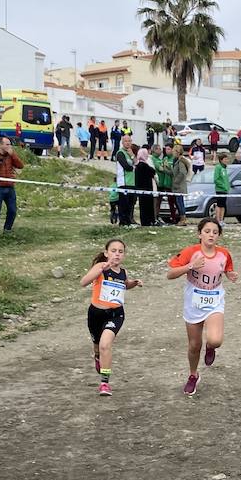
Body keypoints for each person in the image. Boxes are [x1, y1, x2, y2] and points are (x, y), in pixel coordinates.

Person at [167, 218, 238, 396]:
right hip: (193, 301)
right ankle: (193, 375)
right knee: (194, 345)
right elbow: (170, 274)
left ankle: (210, 347)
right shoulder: (190, 252)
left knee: (215, 340)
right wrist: (191, 266)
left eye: (215, 232)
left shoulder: (224, 254)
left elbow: (227, 269)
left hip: (215, 300)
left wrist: (230, 275)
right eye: (207, 231)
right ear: (200, 234)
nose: (211, 235)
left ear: (219, 235)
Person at [80, 239, 142, 397]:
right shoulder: (100, 267)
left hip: (115, 314)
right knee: (97, 346)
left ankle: (104, 383)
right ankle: (97, 357)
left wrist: (134, 283)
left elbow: (125, 284)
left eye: (120, 252)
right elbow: (83, 282)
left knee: (105, 345)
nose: (117, 254)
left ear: (124, 255)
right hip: (96, 314)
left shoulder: (123, 272)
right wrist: (100, 270)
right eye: (113, 251)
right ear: (106, 253)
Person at [113, 135, 137, 227]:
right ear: (122, 142)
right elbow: (126, 166)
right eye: (126, 141)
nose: (128, 143)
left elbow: (137, 163)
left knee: (130, 204)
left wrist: (132, 156)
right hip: (123, 182)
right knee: (124, 204)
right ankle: (123, 222)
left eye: (129, 141)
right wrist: (133, 167)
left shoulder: (130, 153)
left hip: (132, 182)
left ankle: (129, 221)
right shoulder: (120, 153)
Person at [134, 146, 158, 227]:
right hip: (147, 188)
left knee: (142, 207)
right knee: (148, 206)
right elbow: (153, 172)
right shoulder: (145, 166)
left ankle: (144, 221)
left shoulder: (137, 166)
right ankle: (149, 221)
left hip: (140, 189)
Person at [167, 142, 190, 224]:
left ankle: (183, 219)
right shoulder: (175, 161)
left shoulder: (181, 161)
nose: (172, 153)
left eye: (174, 151)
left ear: (177, 152)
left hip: (179, 186)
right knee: (178, 202)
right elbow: (173, 172)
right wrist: (165, 169)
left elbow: (182, 173)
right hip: (176, 186)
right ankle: (182, 218)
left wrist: (176, 181)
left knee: (180, 202)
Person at [212, 149, 231, 224]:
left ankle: (221, 220)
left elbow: (225, 179)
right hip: (220, 190)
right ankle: (218, 220)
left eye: (227, 159)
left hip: (225, 190)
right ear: (221, 160)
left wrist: (227, 187)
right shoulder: (218, 167)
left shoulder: (224, 168)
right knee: (219, 205)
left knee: (223, 205)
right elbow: (216, 179)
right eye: (225, 159)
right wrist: (222, 186)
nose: (226, 160)